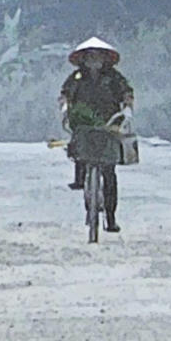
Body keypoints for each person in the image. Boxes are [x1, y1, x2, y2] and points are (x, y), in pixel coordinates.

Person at [61, 39, 133, 238]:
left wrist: (127, 109)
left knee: (109, 172)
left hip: (108, 125)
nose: (94, 61)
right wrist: (65, 107)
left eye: (98, 57)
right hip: (83, 125)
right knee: (79, 153)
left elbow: (127, 93)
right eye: (90, 57)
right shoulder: (76, 77)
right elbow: (65, 94)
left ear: (104, 59)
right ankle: (81, 182)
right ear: (84, 59)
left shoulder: (114, 78)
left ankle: (110, 217)